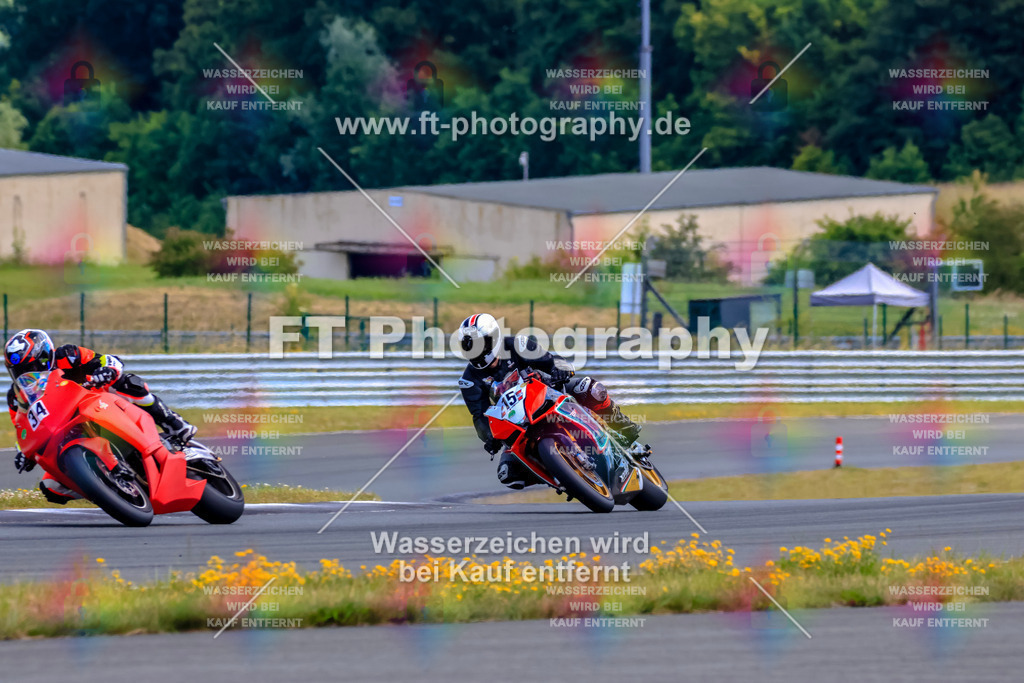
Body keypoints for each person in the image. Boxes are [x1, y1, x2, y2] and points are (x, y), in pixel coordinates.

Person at [4, 329, 197, 504]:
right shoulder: (16, 397)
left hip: (99, 401)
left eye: (32, 365)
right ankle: (106, 488)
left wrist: (105, 370)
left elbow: (108, 360)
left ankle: (172, 422)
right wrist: (24, 452)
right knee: (51, 488)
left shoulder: (68, 355)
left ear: (46, 355)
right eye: (20, 371)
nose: (28, 373)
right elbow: (22, 426)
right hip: (65, 429)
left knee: (127, 382)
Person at [456, 313, 645, 489]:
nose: (475, 350)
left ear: (493, 339)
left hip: (550, 393)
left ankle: (625, 430)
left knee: (590, 388)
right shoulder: (468, 381)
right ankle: (561, 474)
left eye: (479, 344)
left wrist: (560, 369)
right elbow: (479, 416)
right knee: (508, 474)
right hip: (518, 423)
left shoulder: (516, 344)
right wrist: (489, 437)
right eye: (469, 346)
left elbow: (550, 360)